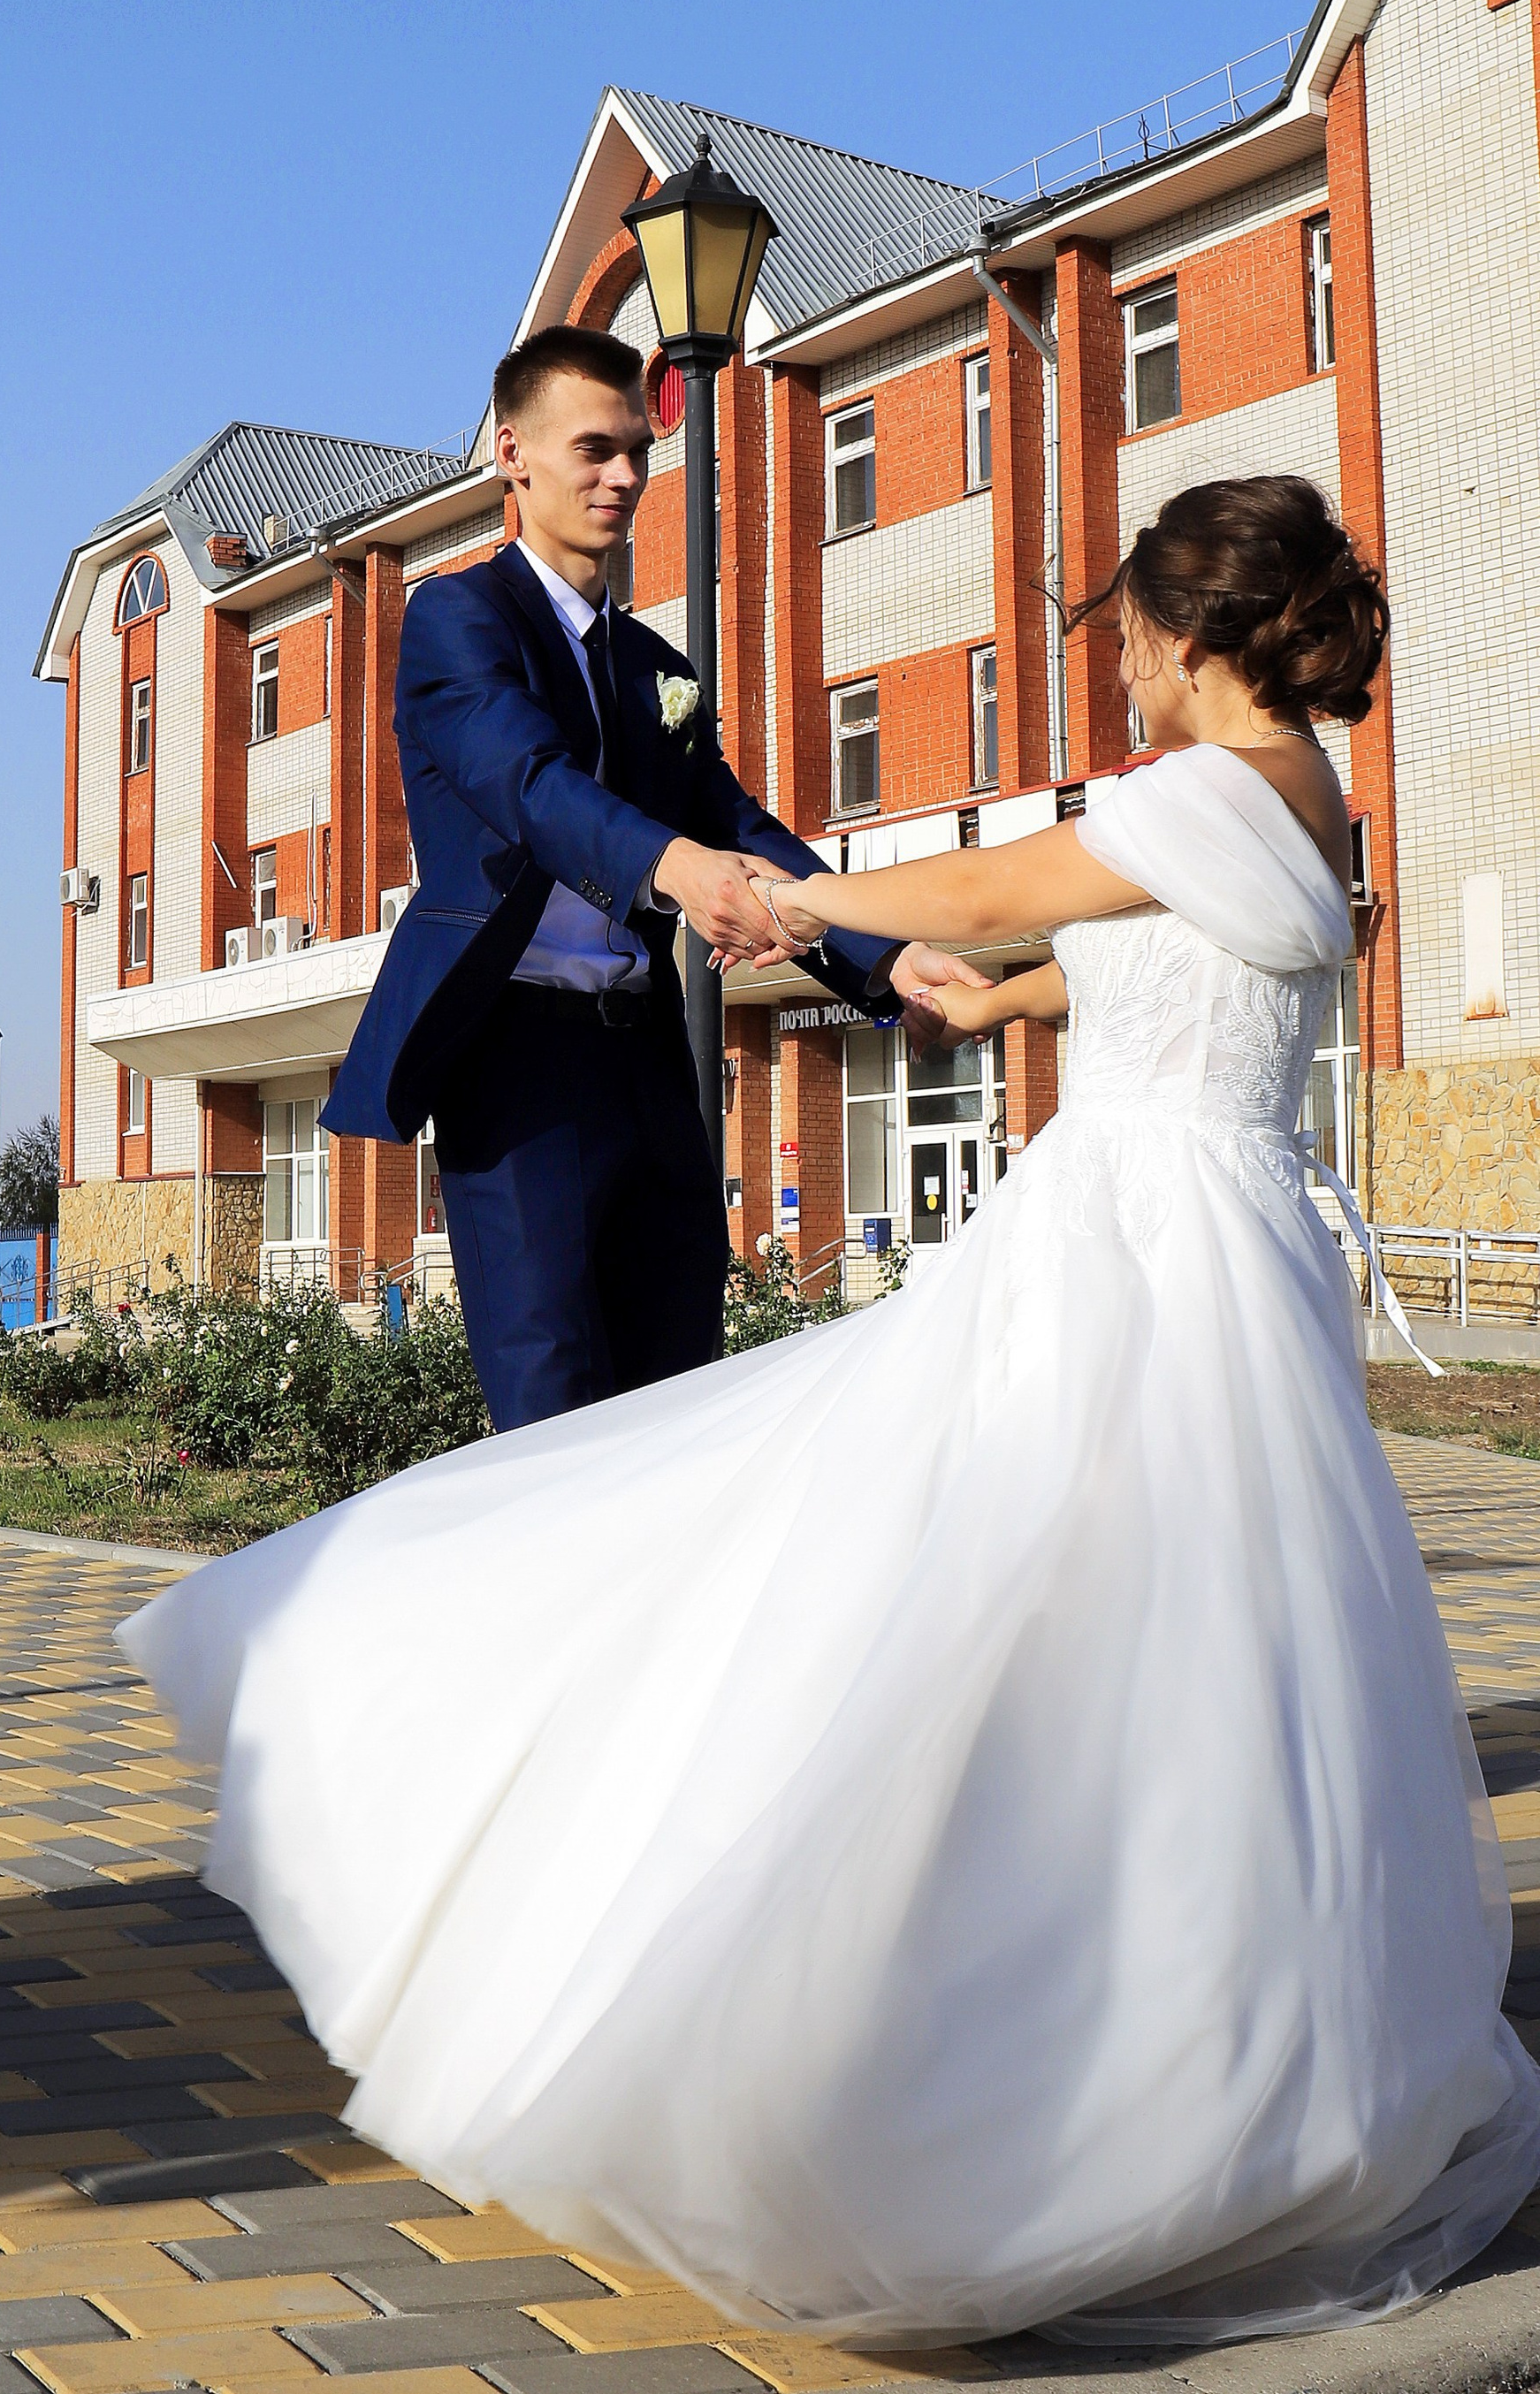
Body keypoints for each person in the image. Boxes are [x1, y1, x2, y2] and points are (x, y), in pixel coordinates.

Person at [122, 474, 1540, 2347]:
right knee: (1186, 1664)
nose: (1113, 668)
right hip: (1225, 1250)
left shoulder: (1188, 790)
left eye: (1121, 637)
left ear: (1191, 646)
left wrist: (786, 896)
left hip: (1130, 1255)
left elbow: (985, 877)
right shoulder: (1300, 793)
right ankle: (1239, 2049)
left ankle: (993, 2064)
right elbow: (1137, 940)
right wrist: (991, 1001)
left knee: (947, 1599)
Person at [321, 323, 977, 1430]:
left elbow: (737, 823)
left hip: (652, 1062)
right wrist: (673, 869)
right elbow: (523, 781)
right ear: (512, 454)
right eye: (593, 448)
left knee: (680, 1396)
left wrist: (886, 955)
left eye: (637, 448)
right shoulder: (456, 619)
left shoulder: (654, 667)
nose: (624, 474)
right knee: (555, 1413)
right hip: (518, 1065)